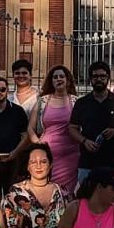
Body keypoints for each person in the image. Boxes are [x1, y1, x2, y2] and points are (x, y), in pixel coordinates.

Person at [3, 144, 69, 228]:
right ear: (27, 166)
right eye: (33, 162)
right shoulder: (16, 192)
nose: (38, 166)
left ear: (50, 165)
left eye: (43, 162)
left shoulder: (62, 191)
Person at [69, 61, 114, 186]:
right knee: (86, 197)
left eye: (102, 76)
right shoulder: (82, 103)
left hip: (112, 161)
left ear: (108, 78)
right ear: (90, 79)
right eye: (95, 77)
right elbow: (72, 128)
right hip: (88, 161)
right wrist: (84, 141)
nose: (99, 79)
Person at [28, 65, 80, 194]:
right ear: (51, 81)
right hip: (48, 154)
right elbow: (30, 127)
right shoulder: (43, 101)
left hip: (70, 156)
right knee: (48, 187)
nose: (58, 79)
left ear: (67, 80)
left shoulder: (75, 102)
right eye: (55, 77)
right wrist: (37, 142)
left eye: (61, 76)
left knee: (68, 192)